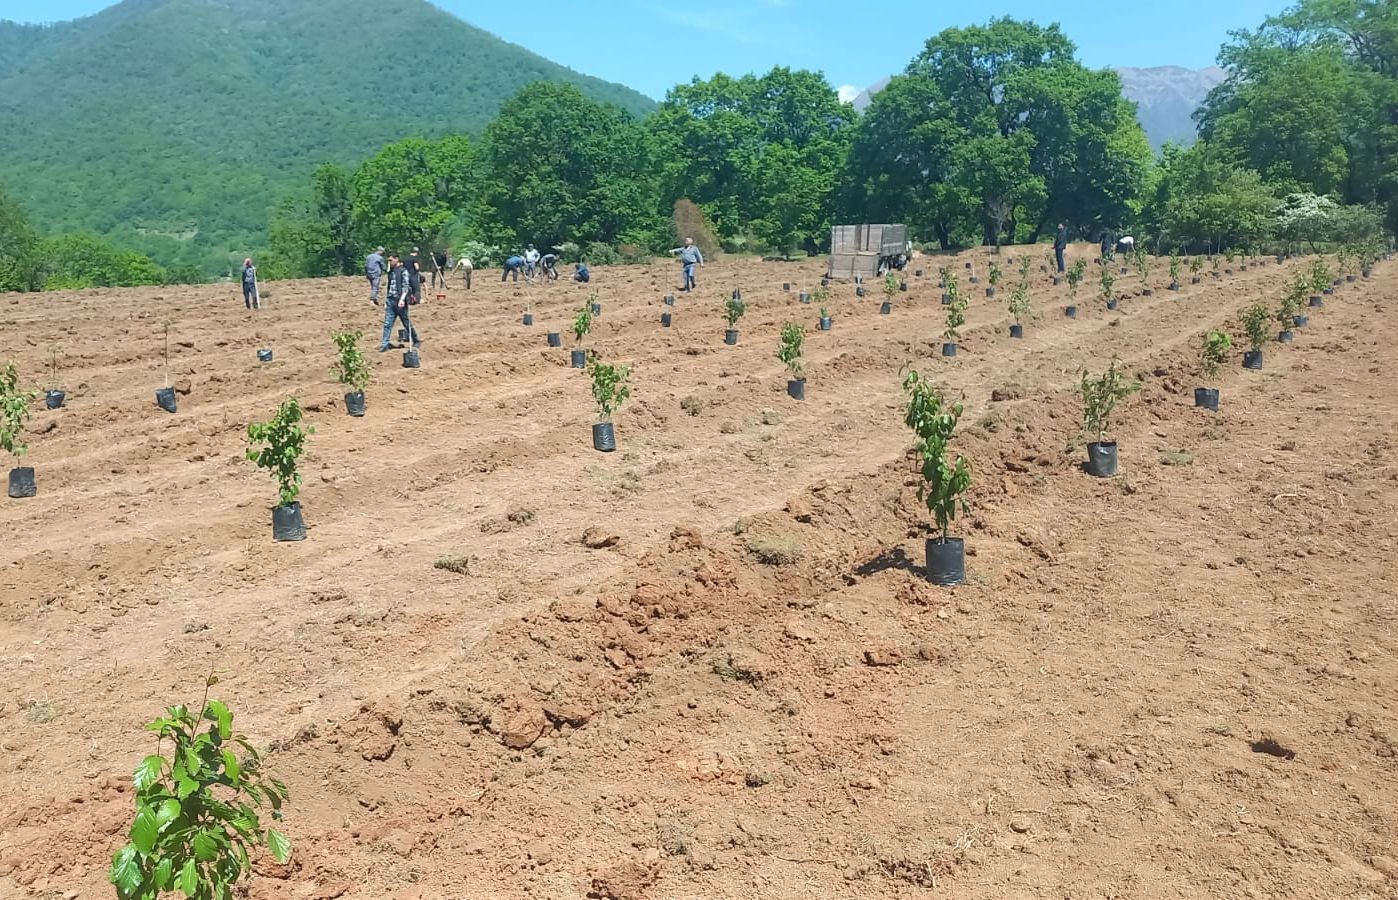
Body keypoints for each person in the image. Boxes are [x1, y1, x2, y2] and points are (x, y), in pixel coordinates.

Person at [380, 254, 420, 352]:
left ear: (396, 259)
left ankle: (416, 340)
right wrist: (386, 300)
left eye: (391, 260)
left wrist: (402, 299)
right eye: (388, 260)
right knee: (387, 323)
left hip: (400, 301)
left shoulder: (403, 271)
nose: (389, 262)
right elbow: (389, 287)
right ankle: (384, 344)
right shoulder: (391, 272)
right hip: (391, 300)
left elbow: (405, 286)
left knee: (406, 322)